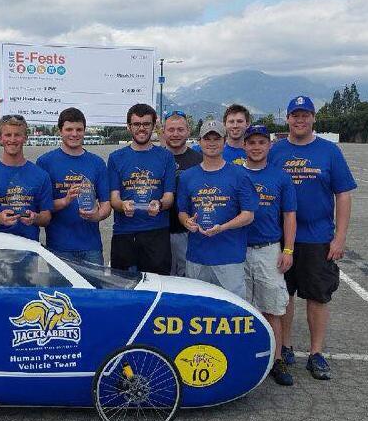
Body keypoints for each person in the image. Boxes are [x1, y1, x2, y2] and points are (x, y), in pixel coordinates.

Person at [269, 96, 357, 380]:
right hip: (281, 237)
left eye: (305, 115)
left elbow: (343, 194)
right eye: (295, 115)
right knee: (285, 296)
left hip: (318, 237)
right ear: (287, 119)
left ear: (313, 118)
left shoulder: (329, 152)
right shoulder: (276, 151)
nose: (299, 120)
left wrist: (340, 237)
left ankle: (317, 353)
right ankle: (286, 346)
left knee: (317, 297)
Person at [241, 125, 297, 386]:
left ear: (269, 145)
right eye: (251, 142)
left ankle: (276, 360)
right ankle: (245, 360)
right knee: (242, 309)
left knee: (272, 308)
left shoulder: (281, 177)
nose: (256, 147)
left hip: (268, 249)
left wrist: (288, 249)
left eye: (261, 142)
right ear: (244, 145)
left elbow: (289, 216)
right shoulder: (235, 174)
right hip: (238, 250)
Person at [177, 120, 257, 298]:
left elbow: (248, 215)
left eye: (216, 138)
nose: (211, 143)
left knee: (232, 313)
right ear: (199, 141)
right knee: (198, 311)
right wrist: (186, 222)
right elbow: (182, 212)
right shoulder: (187, 176)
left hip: (229, 258)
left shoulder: (239, 174)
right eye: (207, 138)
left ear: (225, 140)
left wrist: (223, 227)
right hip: (197, 257)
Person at [107, 103, 176, 275]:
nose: (141, 129)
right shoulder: (116, 158)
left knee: (158, 286)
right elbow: (114, 198)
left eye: (146, 124)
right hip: (124, 233)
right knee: (123, 289)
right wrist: (122, 205)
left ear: (153, 126)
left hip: (156, 232)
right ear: (129, 127)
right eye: (136, 124)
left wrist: (159, 204)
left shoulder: (166, 157)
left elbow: (169, 197)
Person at [36, 107, 110, 265]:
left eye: (79, 129)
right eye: (69, 129)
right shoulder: (45, 162)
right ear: (60, 131)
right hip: (58, 246)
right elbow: (41, 208)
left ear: (84, 131)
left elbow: (106, 205)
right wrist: (65, 200)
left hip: (91, 246)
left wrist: (96, 216)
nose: (74, 134)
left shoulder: (97, 163)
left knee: (94, 290)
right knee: (61, 290)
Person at [0, 114, 53, 241]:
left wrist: (34, 217)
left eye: (17, 135)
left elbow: (46, 217)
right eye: (8, 135)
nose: (12, 140)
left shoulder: (41, 176)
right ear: (0, 138)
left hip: (29, 249)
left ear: (25, 138)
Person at [161, 110, 202, 276]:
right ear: (163, 132)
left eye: (180, 129)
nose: (175, 134)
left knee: (189, 282)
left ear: (188, 131)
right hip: (159, 232)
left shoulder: (199, 160)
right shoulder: (155, 158)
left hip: (190, 234)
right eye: (171, 130)